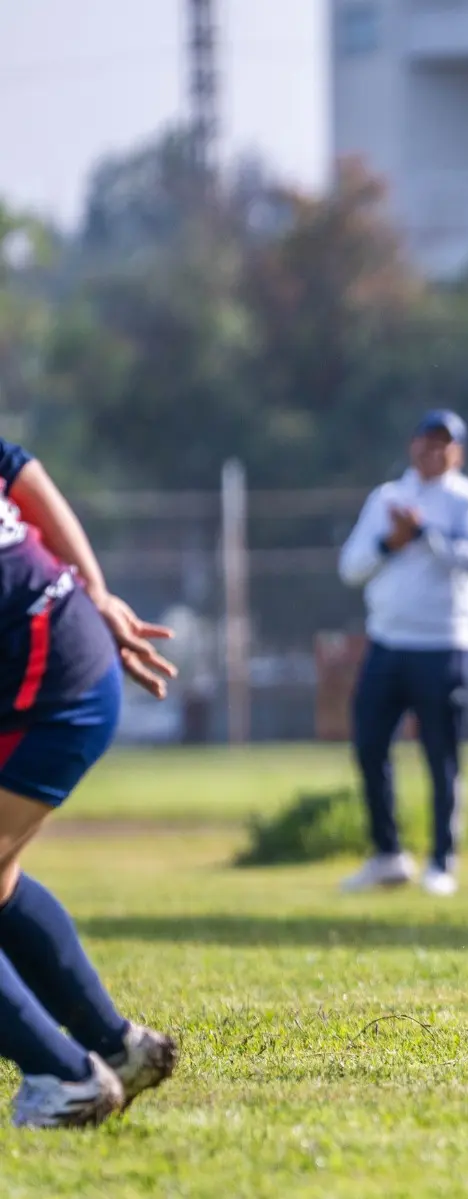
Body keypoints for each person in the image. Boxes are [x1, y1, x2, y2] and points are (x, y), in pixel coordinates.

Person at [0, 437, 179, 1127]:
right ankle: (116, 1047)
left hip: (46, 684)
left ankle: (65, 1076)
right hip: (64, 657)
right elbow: (17, 468)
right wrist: (94, 589)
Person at [337, 410, 468, 897]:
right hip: (387, 642)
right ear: (412, 446)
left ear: (458, 452)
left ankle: (442, 860)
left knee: (440, 754)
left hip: (444, 644)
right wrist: (392, 541)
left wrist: (425, 534)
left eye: (444, 444)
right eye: (426, 441)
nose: (433, 451)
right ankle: (388, 854)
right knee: (368, 745)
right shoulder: (386, 498)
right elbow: (351, 567)